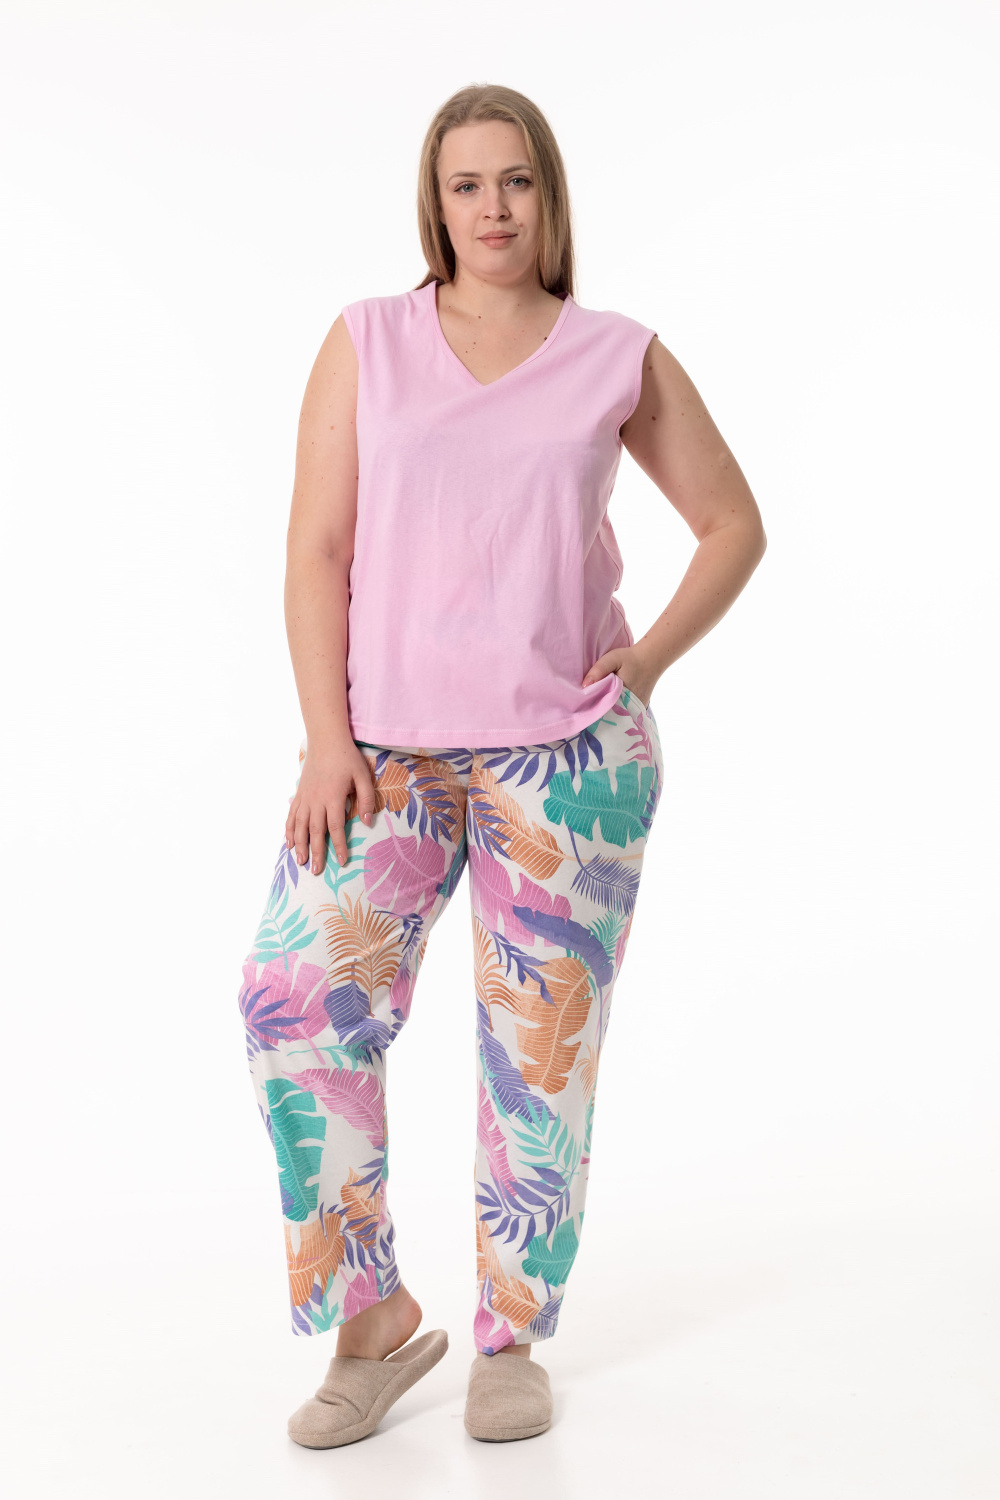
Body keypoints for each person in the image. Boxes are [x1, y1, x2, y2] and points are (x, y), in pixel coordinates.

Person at [237, 82, 767, 1449]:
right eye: (467, 183)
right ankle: (371, 1320)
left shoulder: (614, 355)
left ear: (550, 196)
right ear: (435, 201)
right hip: (386, 757)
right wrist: (326, 739)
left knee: (538, 1055)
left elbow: (733, 525)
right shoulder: (368, 341)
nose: (493, 208)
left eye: (517, 180)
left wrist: (640, 668)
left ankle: (510, 1336)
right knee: (295, 1004)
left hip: (567, 761)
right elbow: (316, 551)